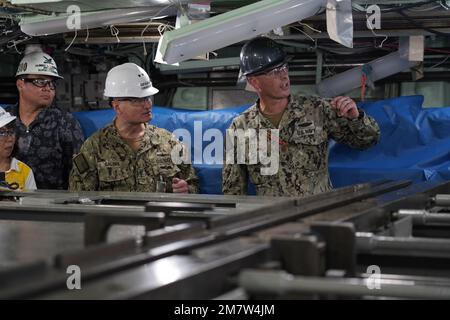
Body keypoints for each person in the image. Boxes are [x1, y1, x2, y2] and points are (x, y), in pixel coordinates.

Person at [222, 36, 380, 197]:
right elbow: (233, 188)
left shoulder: (318, 110)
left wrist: (355, 118)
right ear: (254, 82)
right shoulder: (240, 127)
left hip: (316, 214)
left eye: (284, 67)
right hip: (270, 218)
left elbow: (368, 141)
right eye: (275, 72)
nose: (284, 76)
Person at [69, 63, 199, 193]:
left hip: (157, 213)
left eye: (148, 98)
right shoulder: (95, 147)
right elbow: (80, 196)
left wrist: (186, 189)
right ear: (117, 106)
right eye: (137, 100)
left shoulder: (169, 142)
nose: (147, 105)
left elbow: (192, 184)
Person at [10, 46, 84, 190]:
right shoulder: (5, 120)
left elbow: (79, 174)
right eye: (40, 81)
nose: (48, 88)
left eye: (51, 83)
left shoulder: (65, 123)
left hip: (50, 206)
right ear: (20, 84)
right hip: (8, 203)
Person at [0, 107, 36, 191]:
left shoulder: (24, 171)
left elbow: (32, 203)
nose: (10, 139)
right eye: (2, 133)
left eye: (11, 132)